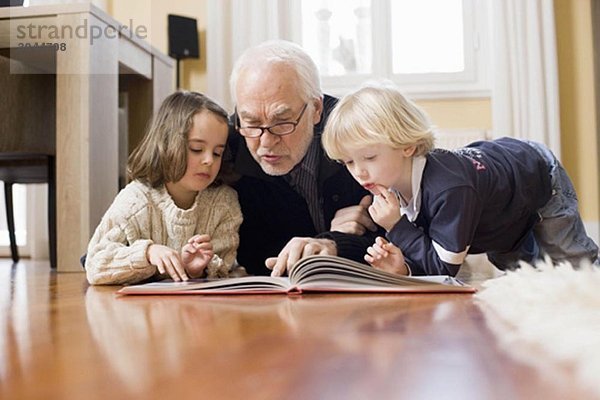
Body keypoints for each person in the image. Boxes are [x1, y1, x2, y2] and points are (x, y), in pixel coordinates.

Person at [320, 81, 599, 276]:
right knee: (522, 271)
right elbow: (429, 257)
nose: (359, 172)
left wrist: (397, 226)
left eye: (369, 158)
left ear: (407, 146)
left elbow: (445, 269)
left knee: (571, 262)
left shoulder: (449, 189)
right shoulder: (390, 185)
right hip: (497, 212)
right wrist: (402, 267)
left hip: (537, 174)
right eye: (348, 162)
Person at [225, 39, 380, 277]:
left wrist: (337, 244)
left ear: (316, 109)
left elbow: (407, 241)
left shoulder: (358, 136)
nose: (266, 142)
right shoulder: (223, 147)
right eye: (252, 123)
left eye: (283, 122)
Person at [86, 91, 243, 285]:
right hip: (138, 312)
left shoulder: (224, 203)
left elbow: (225, 264)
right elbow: (94, 264)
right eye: (196, 149)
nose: (209, 160)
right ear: (167, 144)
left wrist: (196, 269)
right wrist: (148, 253)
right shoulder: (136, 199)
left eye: (218, 153)